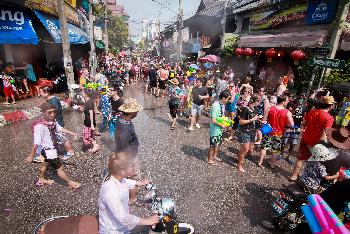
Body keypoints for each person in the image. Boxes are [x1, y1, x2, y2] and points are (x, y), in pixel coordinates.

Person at [99, 152, 158, 233]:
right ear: (123, 172)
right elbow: (123, 217)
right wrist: (148, 221)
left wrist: (140, 183)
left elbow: (125, 182)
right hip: (112, 230)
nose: (135, 168)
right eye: (132, 167)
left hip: (120, 225)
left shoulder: (117, 178)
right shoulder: (111, 191)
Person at [26, 102, 81, 189]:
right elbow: (36, 142)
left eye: (54, 112)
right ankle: (70, 182)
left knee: (45, 164)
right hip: (49, 151)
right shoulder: (39, 126)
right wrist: (31, 156)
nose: (52, 114)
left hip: (49, 149)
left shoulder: (52, 121)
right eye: (49, 112)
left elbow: (60, 129)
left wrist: (71, 132)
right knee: (60, 168)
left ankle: (41, 179)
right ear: (43, 112)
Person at [289, 96, 336, 182]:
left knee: (300, 158)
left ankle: (293, 176)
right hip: (316, 142)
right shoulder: (329, 118)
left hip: (306, 138)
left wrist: (305, 129)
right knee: (315, 163)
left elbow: (303, 123)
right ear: (330, 106)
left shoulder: (312, 112)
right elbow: (324, 134)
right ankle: (307, 180)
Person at [115, 98, 143, 203]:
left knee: (127, 176)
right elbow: (125, 147)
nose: (137, 112)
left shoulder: (121, 119)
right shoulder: (125, 130)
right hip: (129, 156)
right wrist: (129, 164)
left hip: (123, 153)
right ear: (131, 113)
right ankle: (132, 198)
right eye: (136, 111)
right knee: (133, 177)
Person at [258, 95, 294, 168]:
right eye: (287, 101)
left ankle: (260, 162)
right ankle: (272, 164)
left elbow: (263, 121)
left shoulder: (269, 108)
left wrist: (262, 128)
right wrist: (285, 124)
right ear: (283, 102)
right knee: (276, 149)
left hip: (268, 130)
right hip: (279, 132)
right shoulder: (287, 112)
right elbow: (292, 125)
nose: (287, 102)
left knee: (264, 147)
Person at [236, 95, 261, 172]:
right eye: (258, 101)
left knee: (249, 149)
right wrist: (252, 119)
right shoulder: (245, 109)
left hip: (252, 132)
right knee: (245, 149)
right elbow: (241, 122)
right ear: (255, 101)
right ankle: (239, 165)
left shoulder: (256, 109)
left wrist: (260, 121)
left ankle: (239, 157)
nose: (259, 102)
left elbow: (255, 120)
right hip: (245, 131)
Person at [207, 90, 231, 165]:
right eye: (228, 99)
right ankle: (210, 159)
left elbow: (221, 115)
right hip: (215, 129)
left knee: (218, 143)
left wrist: (226, 120)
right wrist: (222, 125)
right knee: (213, 145)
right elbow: (213, 120)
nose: (228, 100)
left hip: (219, 129)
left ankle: (214, 156)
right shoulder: (215, 106)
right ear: (223, 98)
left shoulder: (222, 105)